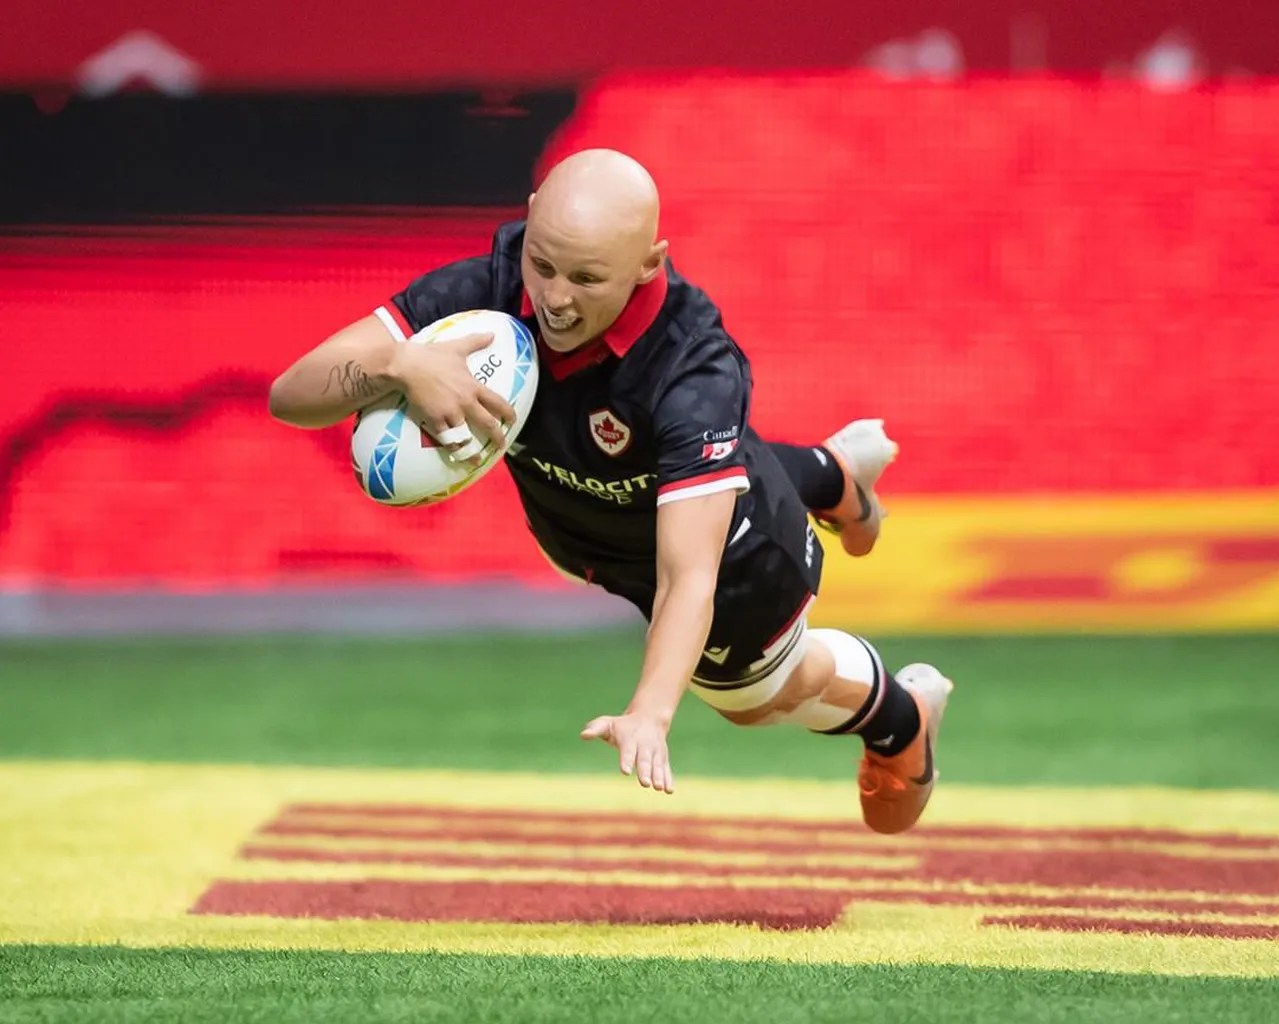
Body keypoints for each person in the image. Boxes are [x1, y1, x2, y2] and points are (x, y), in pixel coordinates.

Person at [269, 148, 953, 834]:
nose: (555, 299)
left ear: (649, 264)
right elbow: (289, 395)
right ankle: (830, 473)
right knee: (668, 459)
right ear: (531, 219)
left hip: (735, 554)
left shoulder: (692, 368)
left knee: (755, 700)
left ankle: (903, 717)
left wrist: (651, 712)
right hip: (591, 529)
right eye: (544, 264)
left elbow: (688, 577)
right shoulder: (488, 289)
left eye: (588, 278)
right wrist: (399, 360)